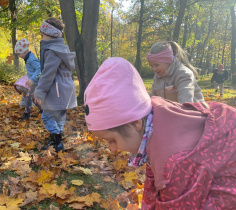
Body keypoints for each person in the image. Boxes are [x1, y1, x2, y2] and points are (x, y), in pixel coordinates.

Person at [84, 57, 236, 209]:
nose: (112, 149)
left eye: (111, 140)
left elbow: (179, 205)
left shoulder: (173, 163)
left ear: (135, 123)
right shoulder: (155, 113)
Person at [34, 18, 77, 152]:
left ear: (47, 33)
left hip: (56, 89)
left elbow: (48, 74)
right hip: (66, 89)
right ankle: (57, 137)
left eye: (43, 34)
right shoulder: (62, 49)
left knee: (47, 115)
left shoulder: (52, 51)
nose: (42, 37)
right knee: (59, 115)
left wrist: (39, 93)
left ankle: (57, 141)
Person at [14, 38, 42, 120]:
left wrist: (32, 79)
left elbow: (39, 69)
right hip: (34, 82)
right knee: (33, 98)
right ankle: (43, 110)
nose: (19, 56)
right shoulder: (28, 58)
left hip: (36, 82)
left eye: (19, 54)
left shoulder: (31, 59)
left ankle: (26, 114)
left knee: (29, 96)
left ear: (24, 51)